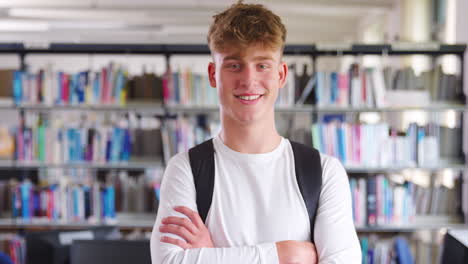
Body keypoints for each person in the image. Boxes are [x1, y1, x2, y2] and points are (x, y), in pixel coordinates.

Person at [150, 1, 361, 263]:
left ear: (281, 75)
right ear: (213, 74)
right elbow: (170, 261)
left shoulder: (324, 172)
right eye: (234, 65)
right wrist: (284, 255)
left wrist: (214, 256)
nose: (249, 80)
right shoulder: (186, 170)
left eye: (262, 65)